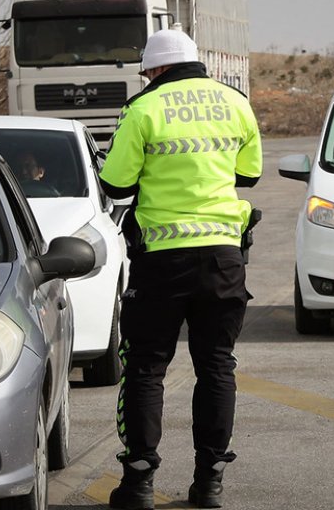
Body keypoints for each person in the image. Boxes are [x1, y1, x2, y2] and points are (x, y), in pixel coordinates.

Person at [99, 28, 262, 510]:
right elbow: (247, 175)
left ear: (154, 68)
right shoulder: (235, 103)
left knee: (146, 369)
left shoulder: (143, 110)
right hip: (223, 259)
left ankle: (139, 484)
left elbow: (115, 185)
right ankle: (209, 481)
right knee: (216, 366)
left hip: (161, 262)